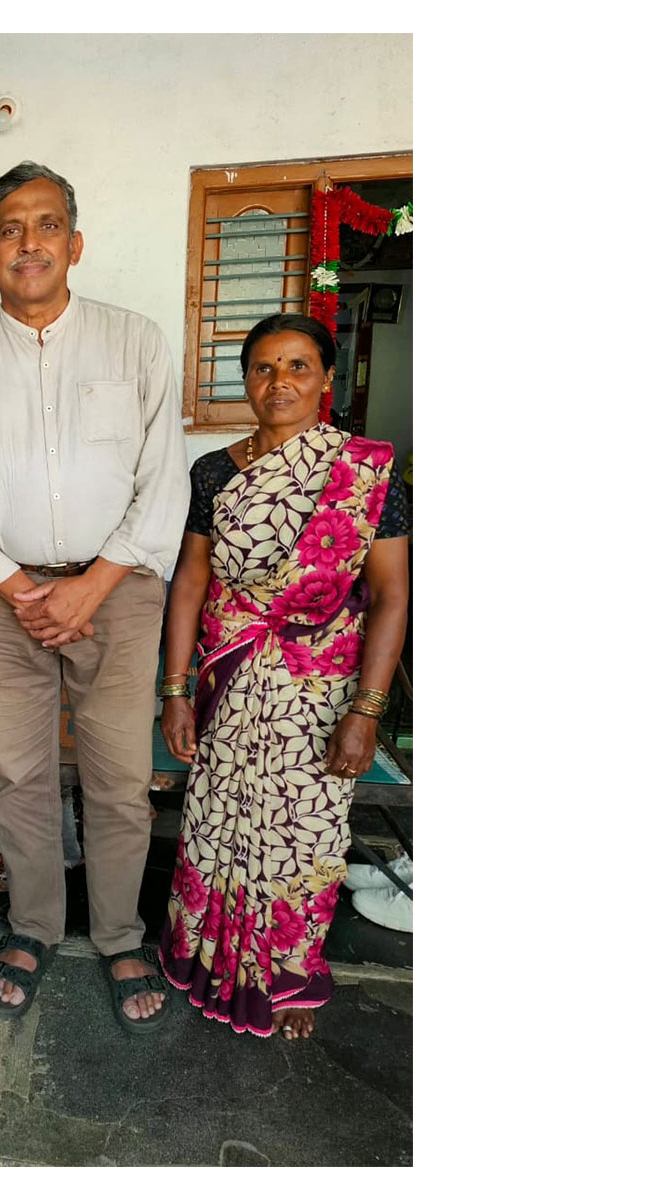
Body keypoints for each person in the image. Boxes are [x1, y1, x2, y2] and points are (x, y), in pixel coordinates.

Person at [0, 162, 190, 1033]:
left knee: (117, 779)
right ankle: (34, 925)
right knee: (23, 775)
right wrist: (17, 585)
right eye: (10, 228)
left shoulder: (137, 342)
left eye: (45, 226)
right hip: (4, 600)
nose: (28, 242)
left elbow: (163, 480)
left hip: (117, 592)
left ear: (75, 244)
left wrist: (93, 584)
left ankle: (118, 934)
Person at [157, 312, 410, 1040]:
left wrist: (366, 710)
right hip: (230, 682)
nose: (280, 382)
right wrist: (175, 690)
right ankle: (207, 960)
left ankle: (286, 976)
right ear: (246, 381)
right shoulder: (214, 472)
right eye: (264, 368)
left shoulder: (364, 473)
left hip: (320, 692)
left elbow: (393, 594)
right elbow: (189, 582)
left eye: (299, 366)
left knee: (304, 832)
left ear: (327, 379)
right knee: (215, 824)